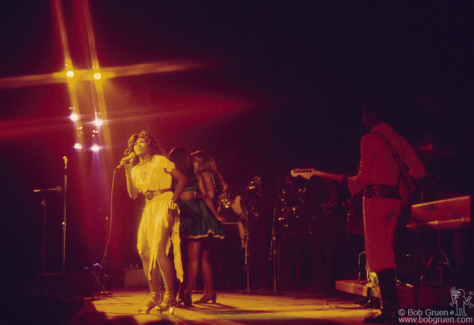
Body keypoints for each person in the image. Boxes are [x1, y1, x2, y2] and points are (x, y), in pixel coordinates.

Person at [339, 103, 426, 323]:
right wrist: (400, 186)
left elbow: (364, 179)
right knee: (388, 252)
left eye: (364, 115)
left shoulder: (369, 139)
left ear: (372, 115)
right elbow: (420, 171)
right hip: (394, 202)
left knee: (379, 255)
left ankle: (390, 310)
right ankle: (390, 307)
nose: (363, 120)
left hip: (376, 201)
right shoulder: (398, 139)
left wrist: (347, 181)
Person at [122, 132, 187, 314]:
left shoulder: (160, 160)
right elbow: (133, 194)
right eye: (135, 143)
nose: (138, 145)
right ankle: (154, 295)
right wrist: (128, 170)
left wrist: (174, 199)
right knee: (144, 251)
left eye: (143, 142)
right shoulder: (134, 169)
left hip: (165, 202)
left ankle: (170, 295)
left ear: (151, 146)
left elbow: (182, 179)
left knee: (159, 250)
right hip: (149, 207)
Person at [168, 147, 225, 306]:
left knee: (184, 256)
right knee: (193, 257)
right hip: (193, 212)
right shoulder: (195, 174)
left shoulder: (173, 175)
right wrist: (215, 215)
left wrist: (214, 215)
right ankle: (186, 291)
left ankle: (184, 291)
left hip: (185, 214)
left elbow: (207, 195)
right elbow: (206, 196)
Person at [184, 151, 225, 303]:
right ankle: (210, 291)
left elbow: (210, 195)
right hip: (205, 215)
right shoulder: (208, 174)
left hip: (203, 216)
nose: (191, 163)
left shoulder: (205, 174)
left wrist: (193, 195)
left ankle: (193, 291)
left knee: (197, 256)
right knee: (203, 256)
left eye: (194, 161)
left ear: (201, 162)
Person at [306, 175, 339, 293]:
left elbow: (334, 201)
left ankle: (327, 283)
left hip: (328, 220)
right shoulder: (311, 183)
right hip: (317, 220)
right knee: (315, 251)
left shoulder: (327, 181)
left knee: (328, 252)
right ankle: (317, 282)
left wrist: (318, 206)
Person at [240, 175, 273, 290]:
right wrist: (247, 190)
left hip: (262, 227)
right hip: (251, 227)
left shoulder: (265, 194)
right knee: (251, 255)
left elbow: (268, 207)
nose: (256, 182)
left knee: (261, 254)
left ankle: (264, 282)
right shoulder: (249, 194)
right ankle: (253, 282)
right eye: (253, 180)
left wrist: (257, 191)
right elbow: (243, 204)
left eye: (258, 179)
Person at [279, 174, 310, 290]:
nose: (287, 182)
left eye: (288, 179)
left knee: (298, 253)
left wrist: (292, 210)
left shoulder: (301, 191)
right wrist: (284, 212)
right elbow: (282, 205)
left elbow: (305, 206)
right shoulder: (284, 192)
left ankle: (298, 281)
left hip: (299, 225)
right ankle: (288, 280)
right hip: (287, 225)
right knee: (288, 254)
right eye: (285, 180)